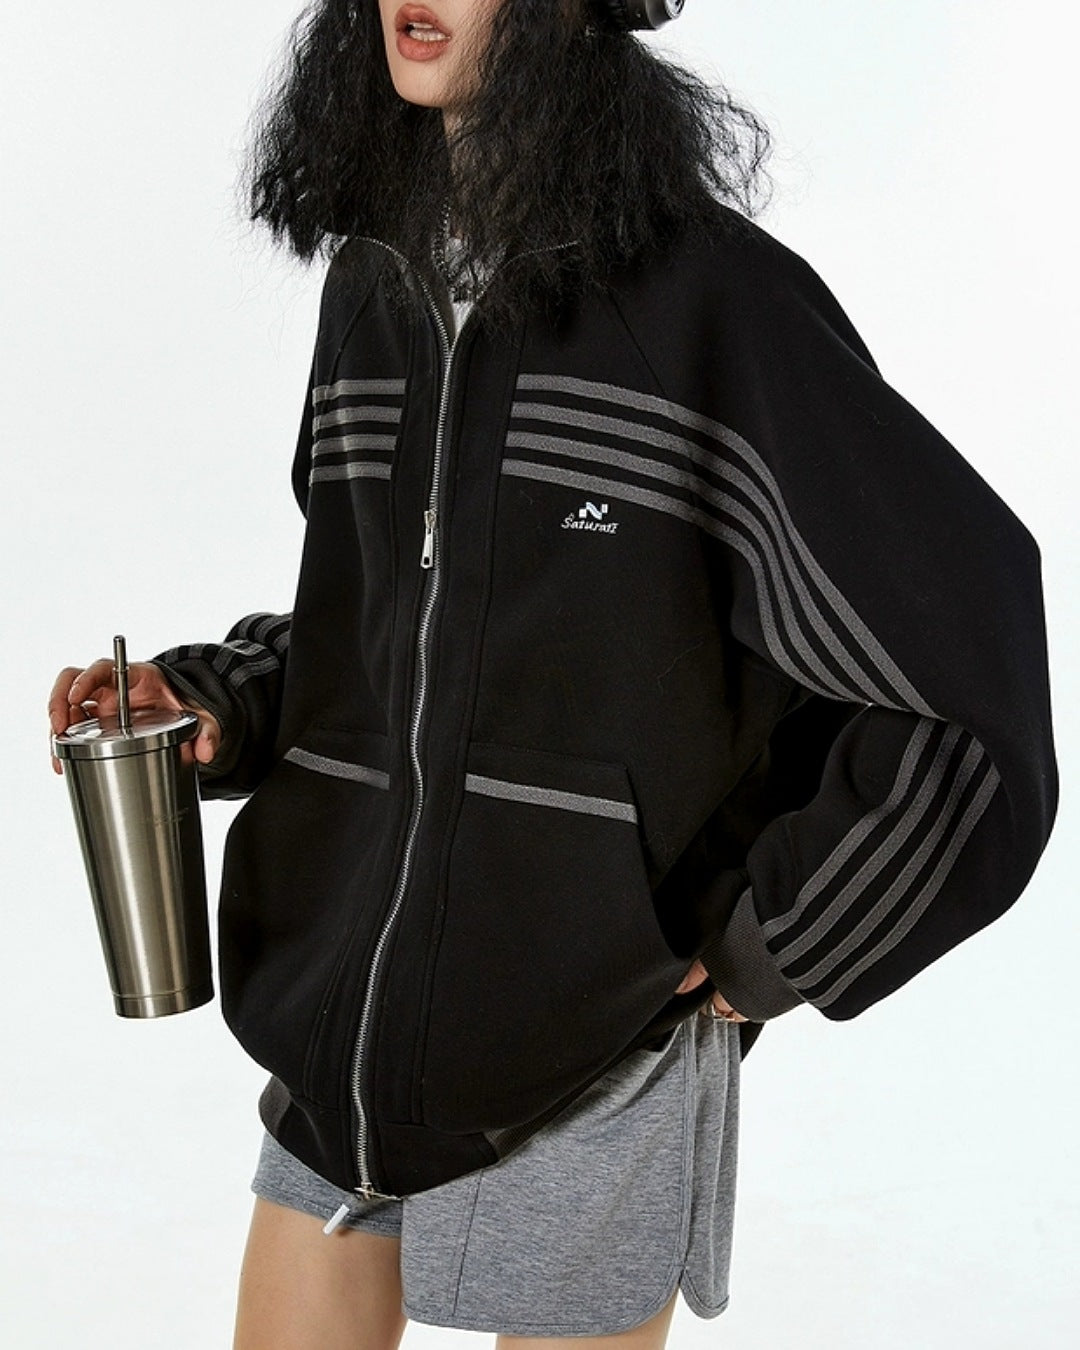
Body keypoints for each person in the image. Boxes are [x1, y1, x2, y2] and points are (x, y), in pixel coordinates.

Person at [47, 2, 1058, 1347]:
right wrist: (214, 704)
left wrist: (783, 938)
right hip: (348, 1028)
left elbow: (967, 658)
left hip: (595, 1039)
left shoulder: (712, 303)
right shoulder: (373, 287)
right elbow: (385, 638)